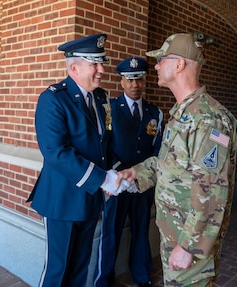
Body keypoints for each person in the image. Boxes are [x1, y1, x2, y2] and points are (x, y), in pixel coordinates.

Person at [116, 33, 237, 287]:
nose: (157, 66)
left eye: (161, 60)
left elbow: (212, 190)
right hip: (176, 231)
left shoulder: (209, 120)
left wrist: (189, 246)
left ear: (179, 65)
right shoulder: (183, 115)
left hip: (189, 239)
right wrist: (136, 173)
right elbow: (172, 165)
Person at [27, 33, 126, 287]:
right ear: (74, 67)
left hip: (90, 199)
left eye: (101, 63)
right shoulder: (53, 99)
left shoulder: (101, 98)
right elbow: (55, 152)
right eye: (95, 64)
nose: (102, 70)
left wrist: (119, 175)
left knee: (81, 268)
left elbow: (105, 145)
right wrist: (103, 178)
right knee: (58, 271)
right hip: (62, 199)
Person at [93, 58, 163, 287]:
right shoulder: (109, 110)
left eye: (140, 79)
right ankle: (103, 280)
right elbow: (104, 147)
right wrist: (119, 175)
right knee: (110, 233)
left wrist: (141, 177)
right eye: (130, 79)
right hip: (117, 184)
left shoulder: (155, 113)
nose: (135, 84)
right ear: (121, 82)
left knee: (141, 230)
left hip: (142, 185)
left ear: (145, 81)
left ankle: (141, 276)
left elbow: (158, 149)